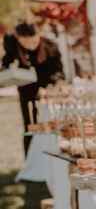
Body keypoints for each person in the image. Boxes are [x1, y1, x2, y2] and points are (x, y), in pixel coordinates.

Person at [2, 22, 64, 154]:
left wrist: (53, 86)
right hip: (26, 89)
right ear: (19, 39)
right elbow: (6, 62)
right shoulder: (12, 45)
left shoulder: (51, 46)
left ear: (38, 35)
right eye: (25, 43)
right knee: (29, 127)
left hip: (47, 91)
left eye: (33, 41)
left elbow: (58, 71)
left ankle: (48, 154)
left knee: (48, 125)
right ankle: (31, 158)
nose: (30, 46)